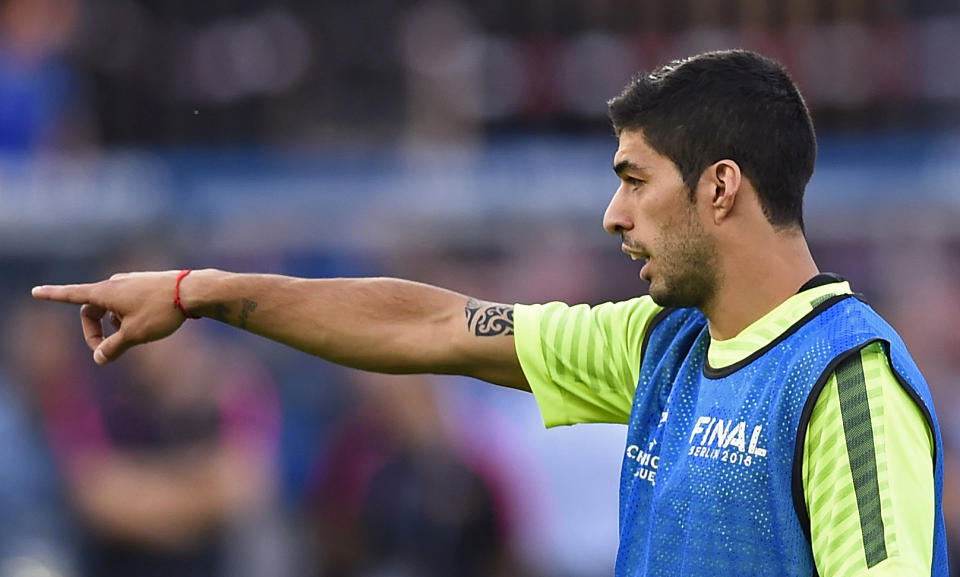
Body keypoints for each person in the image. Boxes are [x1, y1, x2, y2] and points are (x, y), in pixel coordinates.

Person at [32, 49, 948, 576]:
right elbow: (429, 325)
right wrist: (202, 293)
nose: (613, 214)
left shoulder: (846, 380)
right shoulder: (660, 344)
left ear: (720, 188)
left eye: (634, 180)